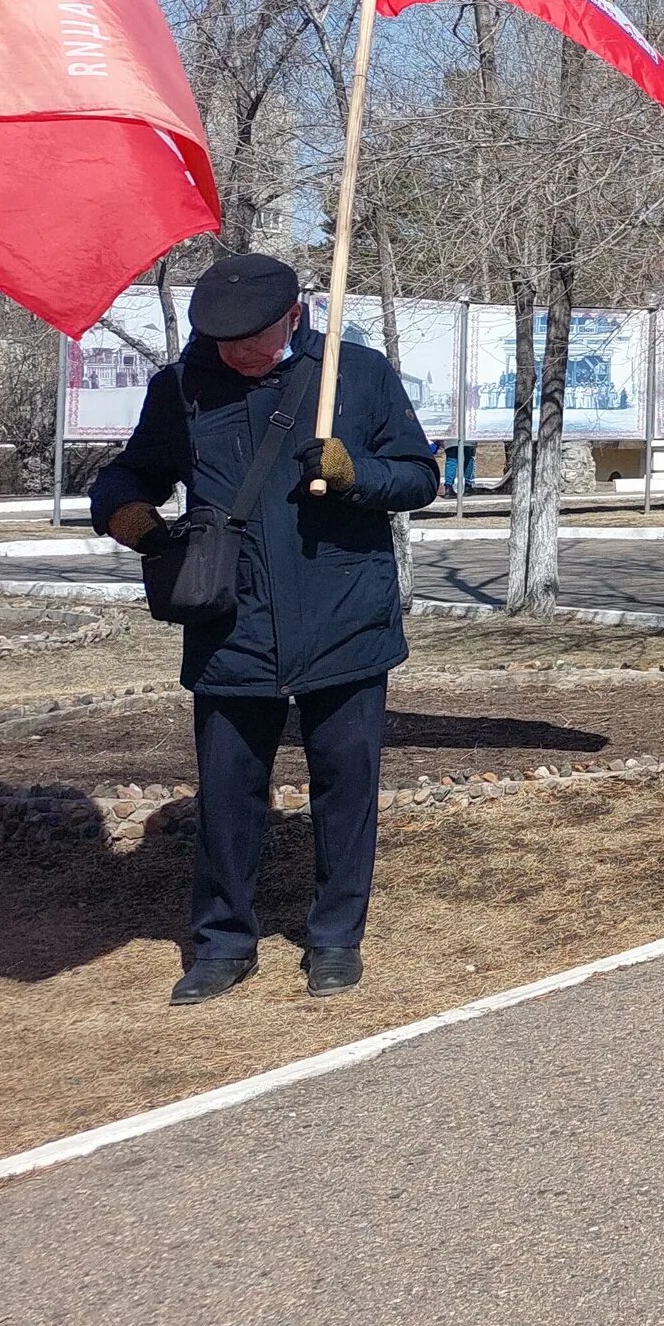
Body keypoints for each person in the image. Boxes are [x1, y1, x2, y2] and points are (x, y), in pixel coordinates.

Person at [91, 252, 440, 1006]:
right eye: (224, 343)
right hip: (231, 623)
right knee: (227, 793)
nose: (238, 354)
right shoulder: (182, 388)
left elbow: (419, 477)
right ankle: (223, 943)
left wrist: (356, 476)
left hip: (346, 619)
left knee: (346, 790)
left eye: (251, 339)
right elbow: (129, 475)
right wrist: (131, 518)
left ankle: (335, 939)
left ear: (295, 316)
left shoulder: (359, 373)